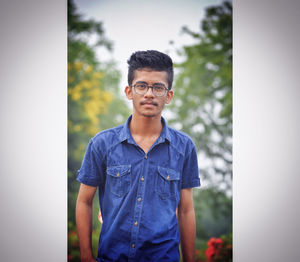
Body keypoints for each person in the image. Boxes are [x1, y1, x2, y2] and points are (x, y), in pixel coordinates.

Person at [76, 50, 201, 262]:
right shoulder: (102, 144)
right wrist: (86, 256)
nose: (149, 94)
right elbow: (84, 201)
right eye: (141, 86)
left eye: (158, 87)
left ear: (168, 95)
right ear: (129, 91)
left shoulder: (184, 147)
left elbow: (186, 210)